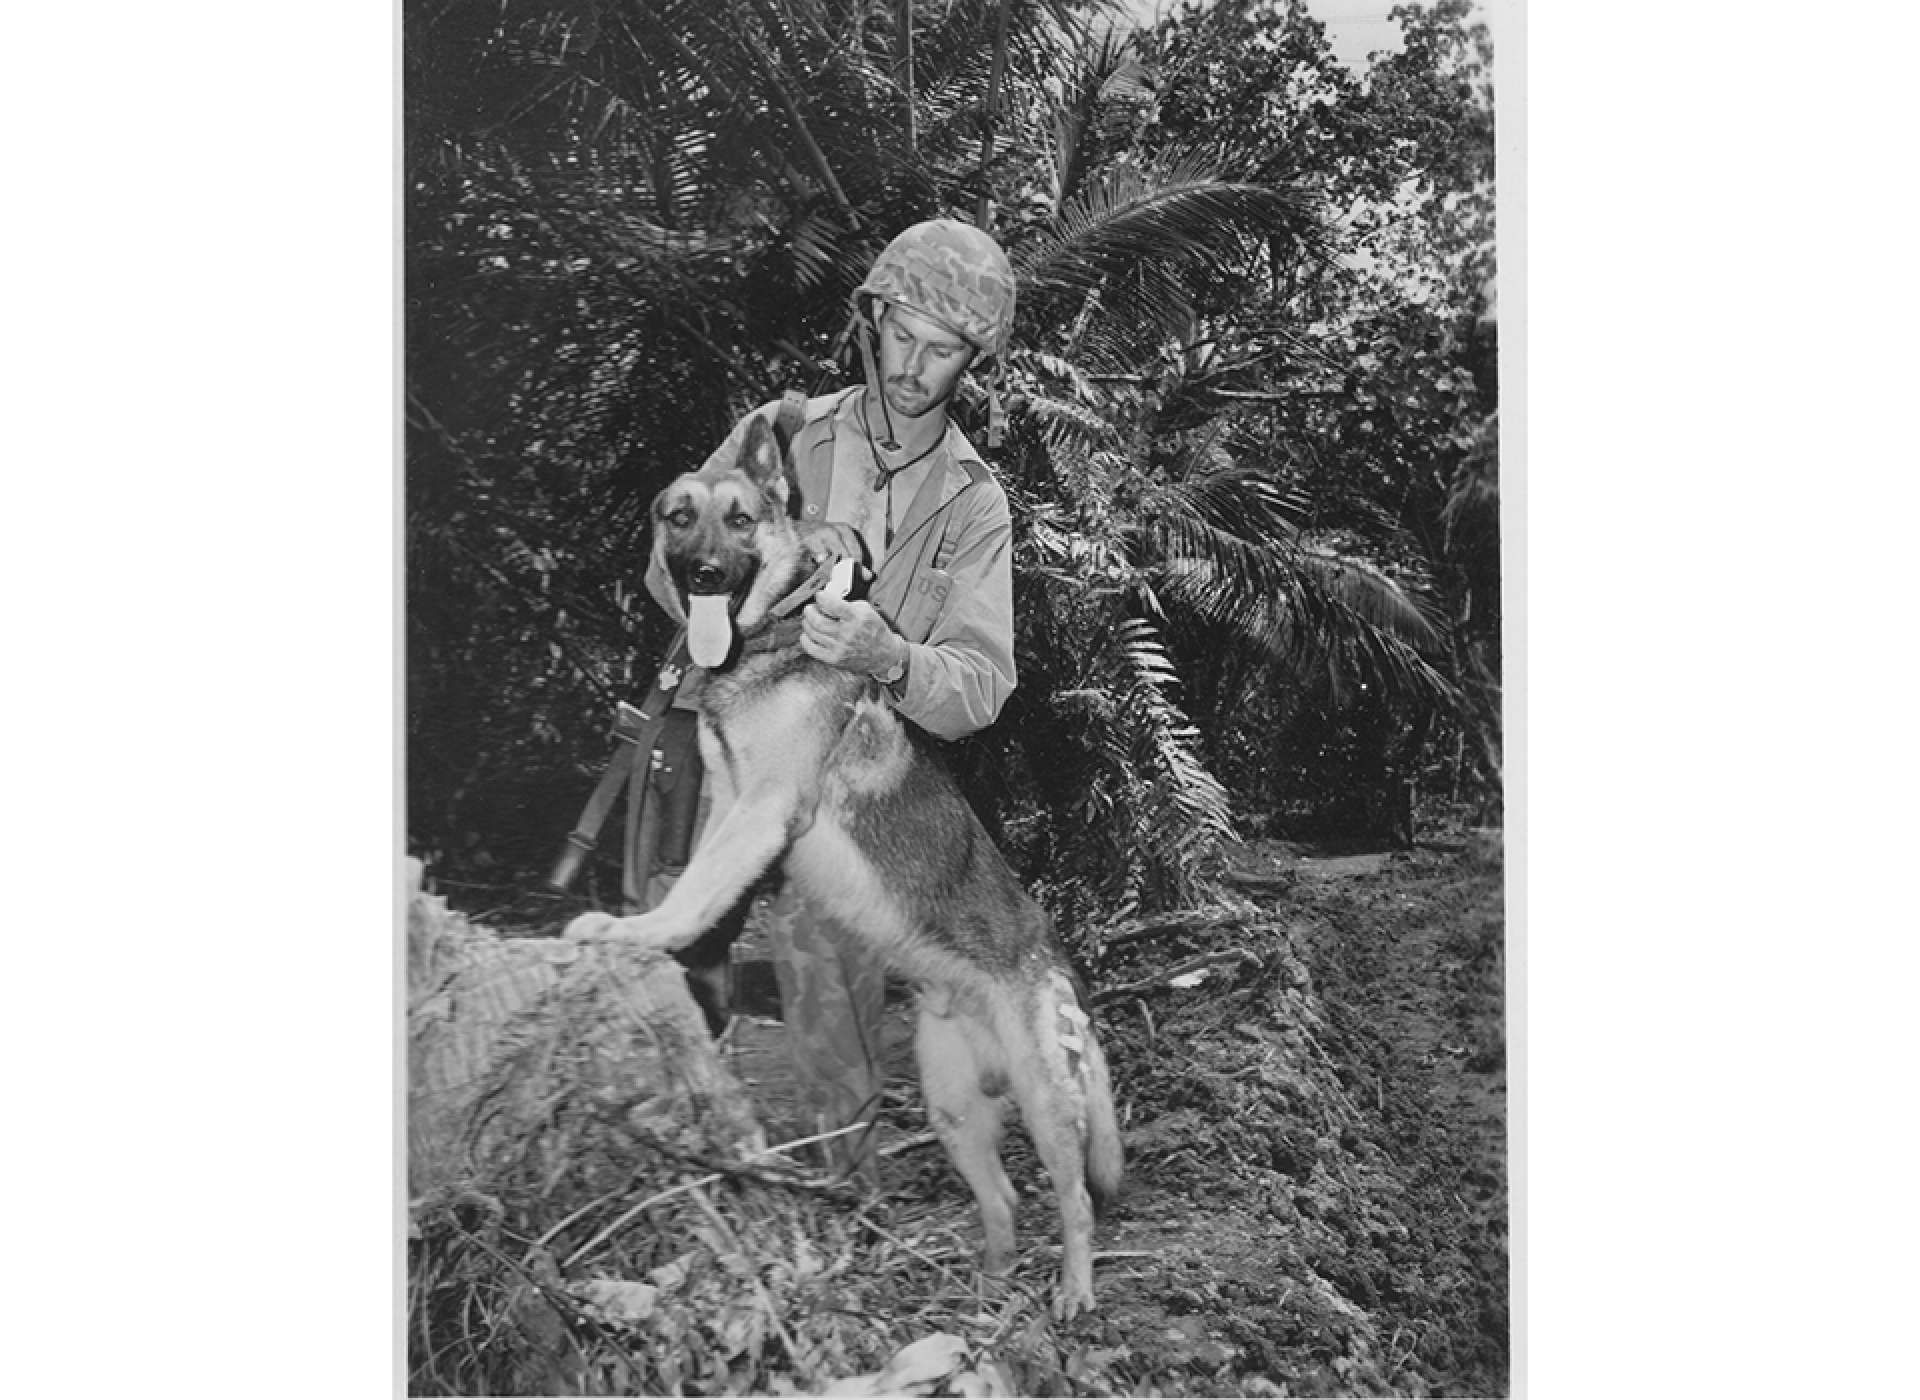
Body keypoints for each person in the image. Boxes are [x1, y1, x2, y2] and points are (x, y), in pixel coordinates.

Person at [629, 218, 1020, 1178]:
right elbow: (669, 563)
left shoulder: (974, 503)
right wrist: (791, 553)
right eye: (899, 336)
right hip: (717, 734)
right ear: (872, 318)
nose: (912, 367)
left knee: (826, 965)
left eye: (942, 351)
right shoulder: (785, 434)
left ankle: (841, 1199)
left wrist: (891, 655)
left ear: (971, 360)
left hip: (841, 776)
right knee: (664, 951)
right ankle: (668, 1178)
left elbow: (980, 690)